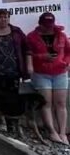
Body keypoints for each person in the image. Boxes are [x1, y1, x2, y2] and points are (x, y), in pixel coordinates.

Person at [25, 12, 70, 145]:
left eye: (50, 24)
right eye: (46, 25)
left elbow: (68, 51)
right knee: (46, 103)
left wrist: (66, 63)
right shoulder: (31, 37)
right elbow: (28, 54)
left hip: (60, 72)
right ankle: (52, 132)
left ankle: (62, 132)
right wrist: (42, 57)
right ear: (40, 24)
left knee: (61, 103)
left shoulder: (61, 35)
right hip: (41, 73)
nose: (49, 27)